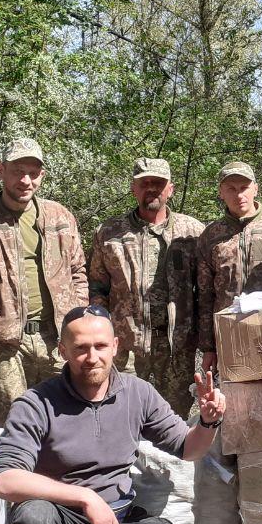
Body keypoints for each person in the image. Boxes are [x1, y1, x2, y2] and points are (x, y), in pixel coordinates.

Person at [0, 305, 219, 524]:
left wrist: (209, 422)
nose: (92, 356)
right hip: (63, 520)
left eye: (100, 346)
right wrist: (85, 497)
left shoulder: (138, 393)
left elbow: (188, 448)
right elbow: (5, 480)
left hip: (119, 518)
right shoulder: (36, 403)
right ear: (62, 351)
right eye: (80, 348)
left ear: (114, 346)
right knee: (31, 516)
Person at [0, 138, 88, 426]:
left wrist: (79, 321)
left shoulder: (59, 216)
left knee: (66, 421)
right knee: (12, 426)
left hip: (57, 340)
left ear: (43, 175)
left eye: (34, 173)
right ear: (1, 170)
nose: (25, 180)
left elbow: (78, 271)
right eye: (17, 171)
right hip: (3, 344)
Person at [88, 158, 205, 417]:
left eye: (158, 183)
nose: (152, 188)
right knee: (118, 417)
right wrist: (101, 334)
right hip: (125, 350)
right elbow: (96, 287)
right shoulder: (108, 233)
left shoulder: (193, 232)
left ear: (170, 189)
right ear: (134, 188)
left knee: (173, 423)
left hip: (176, 350)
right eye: (145, 183)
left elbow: (205, 290)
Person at [197, 160, 262, 375]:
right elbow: (205, 296)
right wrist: (208, 347)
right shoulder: (210, 236)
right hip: (231, 333)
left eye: (244, 188)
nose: (238, 195)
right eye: (231, 189)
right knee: (236, 403)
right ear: (221, 192)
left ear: (256, 189)